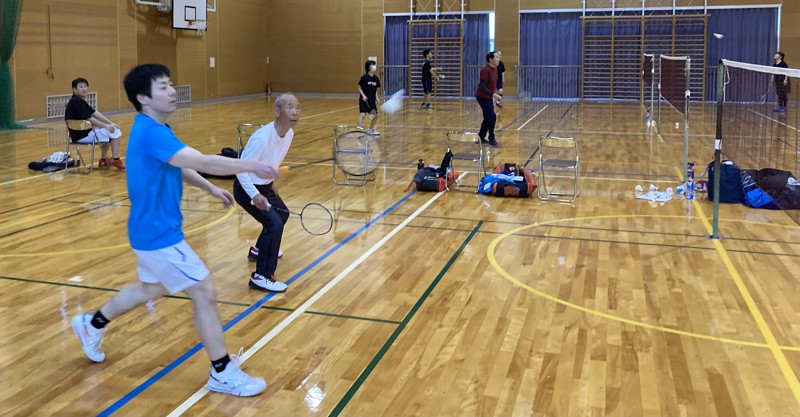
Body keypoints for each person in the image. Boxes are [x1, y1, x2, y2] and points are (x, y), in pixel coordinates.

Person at [71, 64, 280, 397]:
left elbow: (180, 163)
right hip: (158, 235)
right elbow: (204, 160)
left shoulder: (155, 128)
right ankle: (222, 371)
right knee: (205, 292)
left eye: (171, 85)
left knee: (149, 289)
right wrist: (250, 164)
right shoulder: (151, 132)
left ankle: (91, 323)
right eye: (164, 86)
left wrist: (209, 189)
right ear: (143, 97)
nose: (172, 91)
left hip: (149, 232)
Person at [233, 94, 301, 293]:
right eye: (290, 107)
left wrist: (270, 184)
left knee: (282, 214)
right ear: (277, 112)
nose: (295, 112)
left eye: (298, 107)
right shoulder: (262, 138)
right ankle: (261, 276)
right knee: (274, 223)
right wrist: (255, 195)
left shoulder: (288, 134)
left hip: (263, 186)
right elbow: (241, 169)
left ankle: (258, 250)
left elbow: (270, 162)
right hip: (246, 188)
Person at [64, 77, 125, 170]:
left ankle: (103, 160)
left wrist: (110, 123)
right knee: (115, 132)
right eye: (81, 87)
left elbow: (94, 112)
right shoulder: (77, 102)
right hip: (82, 136)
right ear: (74, 89)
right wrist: (106, 126)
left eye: (85, 86)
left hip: (77, 136)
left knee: (107, 133)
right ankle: (115, 159)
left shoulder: (77, 101)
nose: (84, 89)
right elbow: (90, 118)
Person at [475, 51, 502, 146]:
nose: (499, 59)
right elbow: (482, 85)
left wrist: (493, 95)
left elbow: (493, 83)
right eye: (497, 57)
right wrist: (493, 94)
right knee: (492, 116)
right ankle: (491, 138)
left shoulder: (495, 69)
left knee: (487, 117)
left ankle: (481, 137)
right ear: (491, 59)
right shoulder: (485, 70)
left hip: (488, 97)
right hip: (482, 97)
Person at [357, 60, 381, 136]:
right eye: (374, 65)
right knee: (362, 115)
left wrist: (377, 98)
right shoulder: (364, 77)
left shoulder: (376, 78)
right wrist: (363, 95)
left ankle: (370, 130)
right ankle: (359, 129)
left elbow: (375, 89)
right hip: (364, 100)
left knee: (375, 116)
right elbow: (359, 87)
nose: (375, 66)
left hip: (372, 100)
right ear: (369, 67)